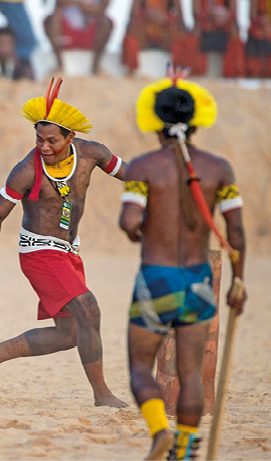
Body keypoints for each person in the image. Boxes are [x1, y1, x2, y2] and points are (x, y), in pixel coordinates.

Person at [0, 78, 127, 407]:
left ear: (71, 137)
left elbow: (130, 173)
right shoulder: (25, 171)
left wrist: (164, 172)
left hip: (69, 251)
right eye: (39, 139)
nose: (44, 147)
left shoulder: (92, 154)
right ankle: (103, 396)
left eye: (52, 140)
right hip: (39, 253)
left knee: (69, 334)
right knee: (90, 311)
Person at [120, 75, 247, 460]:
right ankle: (186, 449)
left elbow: (128, 221)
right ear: (196, 121)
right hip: (198, 280)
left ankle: (160, 431)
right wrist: (238, 282)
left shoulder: (142, 167)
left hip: (156, 278)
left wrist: (145, 235)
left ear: (155, 121)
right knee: (192, 374)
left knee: (140, 368)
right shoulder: (219, 169)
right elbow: (236, 231)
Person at [44, 0, 113, 74]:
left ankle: (96, 67)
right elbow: (60, 3)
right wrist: (81, 5)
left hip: (91, 31)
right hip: (66, 32)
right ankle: (59, 66)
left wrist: (83, 6)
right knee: (50, 21)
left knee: (106, 23)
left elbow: (104, 7)